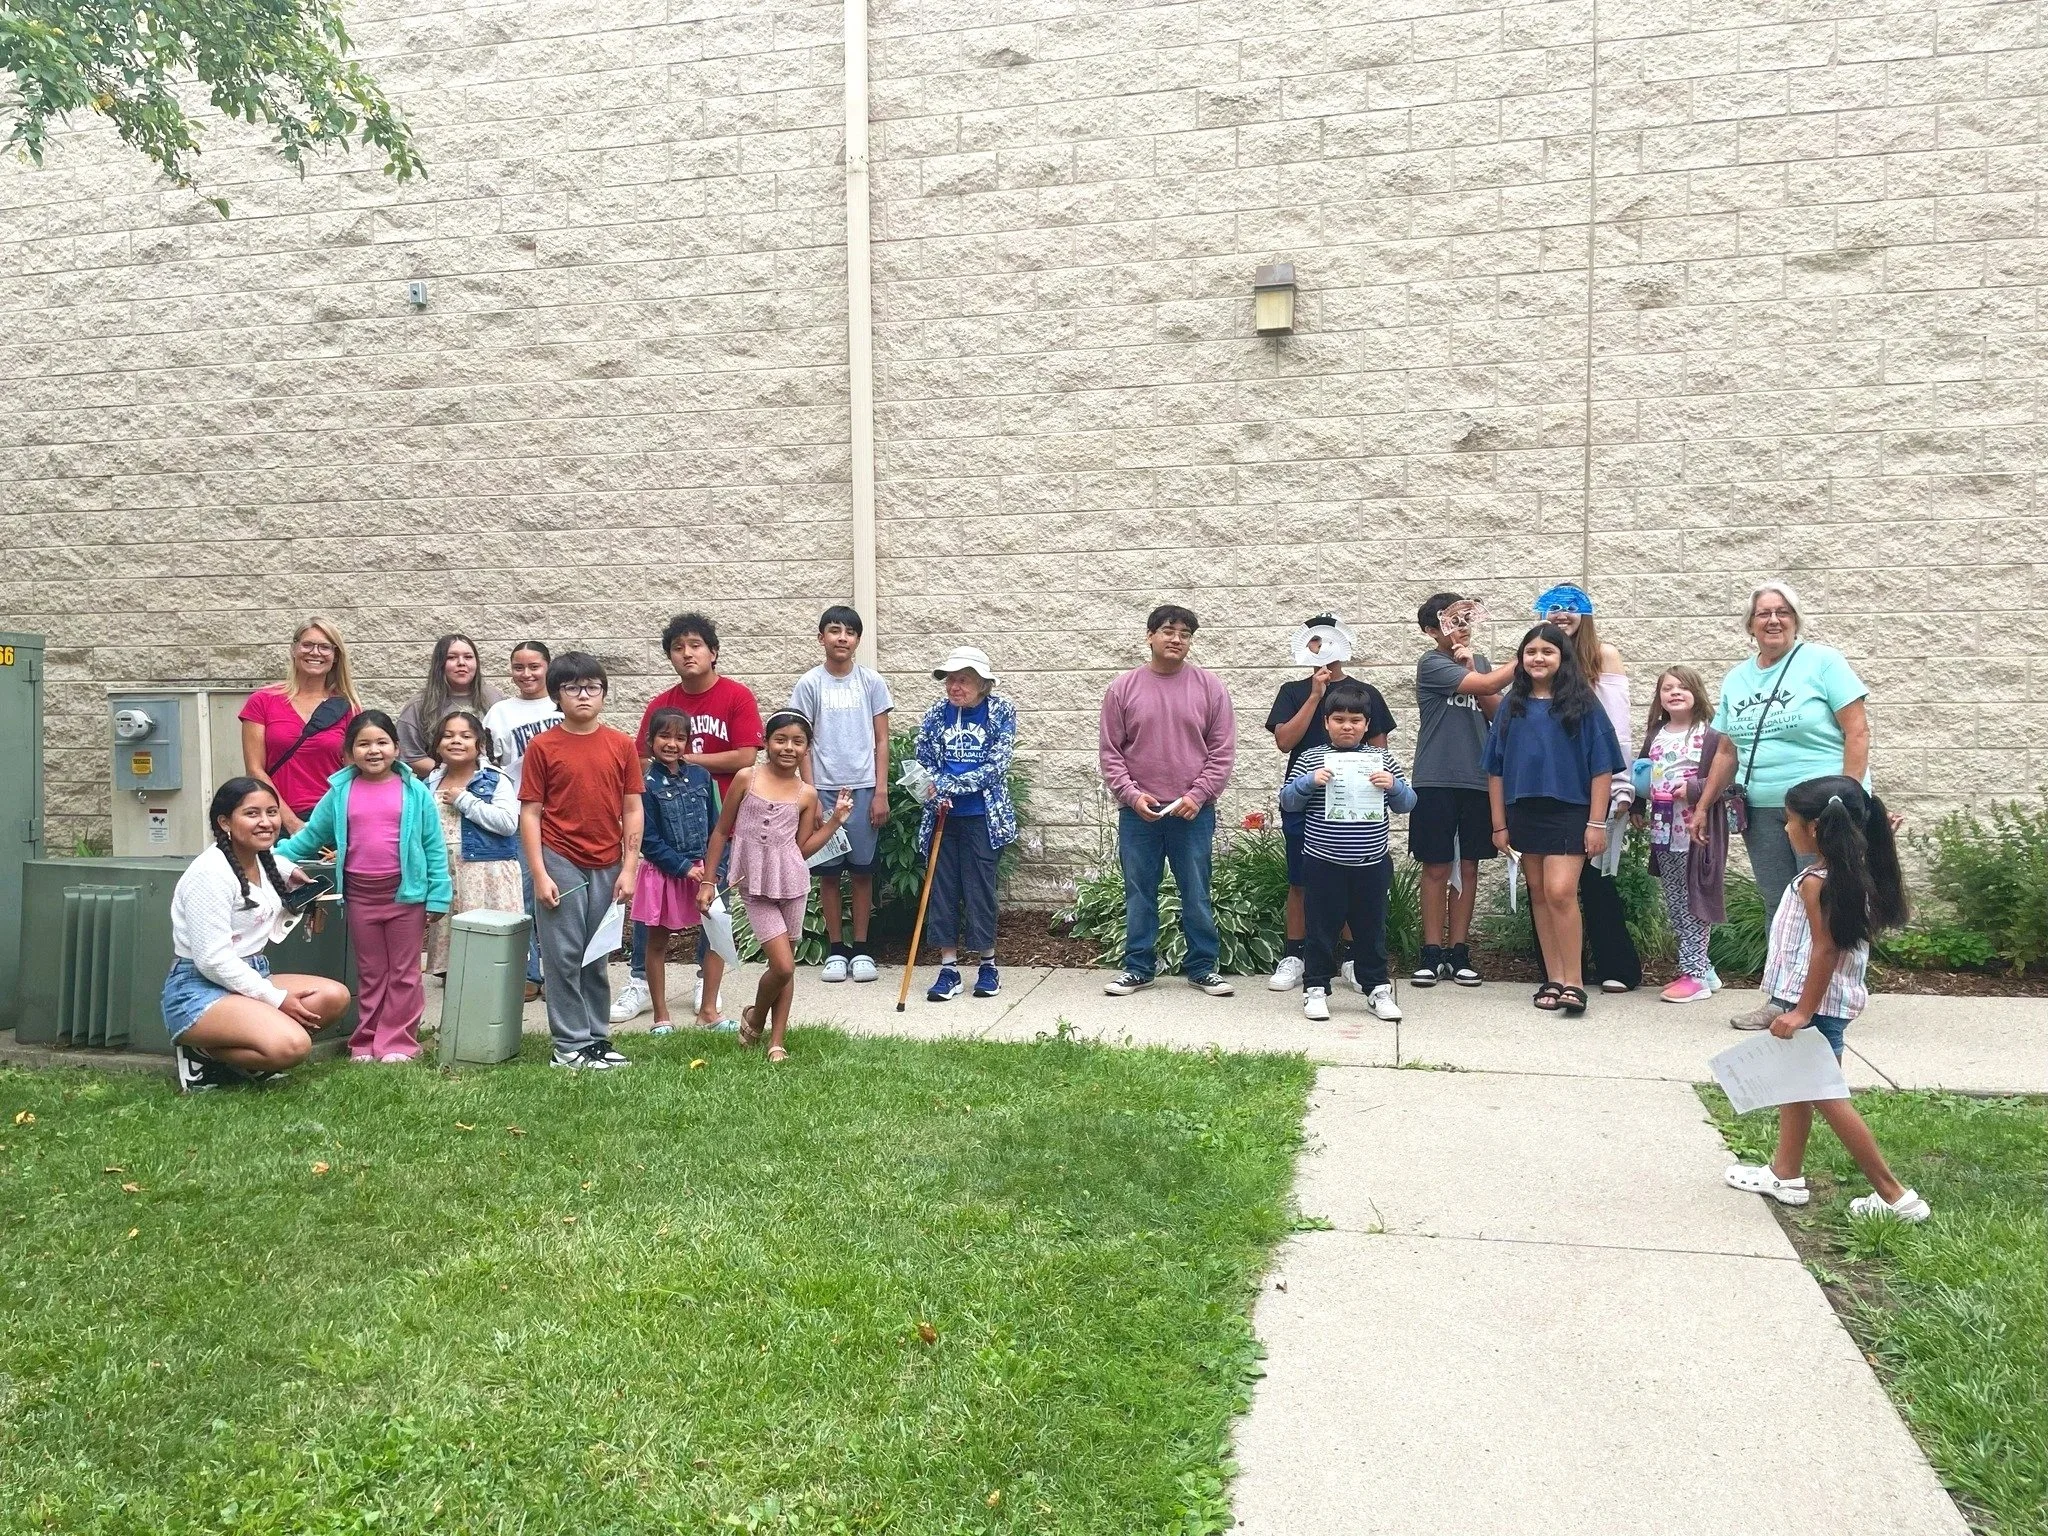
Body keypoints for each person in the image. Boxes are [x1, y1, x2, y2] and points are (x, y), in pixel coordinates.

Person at [1722, 776, 1927, 1223]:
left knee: (1826, 1095)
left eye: (1788, 820)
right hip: (1824, 1003)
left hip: (1816, 1005)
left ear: (1815, 828)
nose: (1784, 828)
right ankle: (1785, 1173)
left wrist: (1801, 1011)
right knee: (1800, 1083)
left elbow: (1826, 948)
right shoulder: (1851, 869)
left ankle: (1896, 1197)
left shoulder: (1818, 881)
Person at [1714, 581, 1872, 1031]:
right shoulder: (1737, 677)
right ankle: (1782, 998)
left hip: (1821, 809)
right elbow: (1727, 750)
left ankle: (1825, 998)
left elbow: (1856, 732)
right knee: (1779, 903)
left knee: (1824, 901)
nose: (1773, 620)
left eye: (1782, 612)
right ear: (1750, 625)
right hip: (1762, 810)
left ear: (1796, 620)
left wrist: (1850, 797)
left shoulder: (1824, 662)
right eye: (1763, 613)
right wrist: (1706, 803)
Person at [274, 710, 451, 1062]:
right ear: (348, 752)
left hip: (407, 896)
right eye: (363, 744)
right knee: (371, 973)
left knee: (404, 973)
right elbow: (309, 838)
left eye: (382, 742)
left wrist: (439, 893)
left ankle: (398, 1042)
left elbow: (434, 846)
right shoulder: (340, 792)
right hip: (360, 897)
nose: (374, 751)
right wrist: (268, 858)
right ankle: (367, 1040)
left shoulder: (415, 791)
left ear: (396, 748)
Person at [615, 613, 763, 1029]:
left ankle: (706, 992)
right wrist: (672, 764)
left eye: (695, 645)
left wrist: (685, 761)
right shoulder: (660, 705)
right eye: (678, 648)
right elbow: (640, 761)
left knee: (712, 912)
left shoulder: (735, 697)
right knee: (652, 917)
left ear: (713, 652)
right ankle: (640, 983)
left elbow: (745, 757)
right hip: (662, 828)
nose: (687, 653)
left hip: (716, 828)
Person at [162, 778, 352, 1093]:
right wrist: (276, 1000)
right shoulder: (209, 876)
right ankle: (201, 1052)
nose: (266, 822)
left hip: (251, 971)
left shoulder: (258, 858)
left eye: (272, 812)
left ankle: (246, 1057)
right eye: (252, 814)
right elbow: (212, 961)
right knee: (292, 1047)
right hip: (198, 988)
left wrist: (291, 872)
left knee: (334, 998)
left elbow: (270, 860)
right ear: (225, 822)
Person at [1484, 623, 1626, 1016]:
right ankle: (1553, 977)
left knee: (1561, 891)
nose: (1538, 658)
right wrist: (1499, 825)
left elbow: (1602, 769)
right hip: (1523, 811)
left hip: (1570, 811)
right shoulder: (1512, 705)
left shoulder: (1583, 705)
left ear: (1562, 658)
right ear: (1521, 658)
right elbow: (1494, 770)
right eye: (1531, 651)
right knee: (1541, 895)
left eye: (1548, 651)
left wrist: (1596, 823)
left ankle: (1575, 982)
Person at [697, 710, 854, 1062]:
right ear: (767, 742)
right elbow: (722, 831)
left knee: (787, 967)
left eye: (798, 742)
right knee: (782, 965)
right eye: (781, 739)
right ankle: (754, 1017)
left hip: (793, 884)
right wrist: (709, 879)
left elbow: (802, 849)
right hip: (755, 886)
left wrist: (835, 821)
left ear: (806, 749)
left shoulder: (806, 793)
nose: (788, 748)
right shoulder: (746, 778)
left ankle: (776, 1041)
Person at [1098, 604, 1237, 998]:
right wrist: (1130, 793)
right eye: (1168, 631)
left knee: (1196, 890)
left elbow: (1222, 750)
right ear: (1150, 636)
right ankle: (1138, 968)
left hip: (1192, 811)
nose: (1176, 639)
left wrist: (1198, 795)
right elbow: (1111, 752)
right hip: (1138, 811)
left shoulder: (1210, 687)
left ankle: (1202, 968)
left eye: (1185, 634)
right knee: (1139, 891)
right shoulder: (1122, 688)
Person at [519, 652, 644, 1070]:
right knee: (565, 954)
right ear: (557, 695)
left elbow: (631, 808)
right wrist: (539, 873)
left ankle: (595, 1039)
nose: (583, 695)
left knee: (597, 952)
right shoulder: (543, 746)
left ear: (604, 693)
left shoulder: (621, 745)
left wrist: (629, 867)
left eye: (592, 687)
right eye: (572, 688)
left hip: (608, 861)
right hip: (559, 859)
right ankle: (567, 1045)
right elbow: (531, 813)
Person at [1263, 614, 1394, 993]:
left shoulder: (1365, 692)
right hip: (1307, 801)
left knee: (1355, 879)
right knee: (1300, 878)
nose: (1321, 649)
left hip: (1355, 806)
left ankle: (1353, 959)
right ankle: (1296, 954)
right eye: (1314, 642)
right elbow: (1285, 741)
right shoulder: (1292, 690)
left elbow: (1379, 750)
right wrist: (1315, 696)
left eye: (1327, 641)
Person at [1278, 680, 1416, 1023]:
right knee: (1320, 930)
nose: (1347, 726)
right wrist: (1309, 781)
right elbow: (1288, 801)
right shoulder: (1311, 758)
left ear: (1367, 725)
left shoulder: (1381, 759)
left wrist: (1394, 785)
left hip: (1371, 862)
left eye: (1355, 720)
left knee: (1372, 930)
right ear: (1326, 723)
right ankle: (1316, 989)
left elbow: (1408, 803)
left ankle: (1377, 990)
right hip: (1322, 862)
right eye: (1339, 719)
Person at [1529, 584, 1642, 995]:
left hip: (1595, 786)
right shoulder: (1537, 659)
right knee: (1545, 887)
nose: (1561, 614)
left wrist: (1621, 786)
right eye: (1552, 608)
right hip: (1550, 789)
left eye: (1571, 607)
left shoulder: (1603, 656)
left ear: (1586, 614)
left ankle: (1616, 965)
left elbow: (1618, 729)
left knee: (1594, 880)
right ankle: (1555, 971)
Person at [1409, 593, 1514, 987]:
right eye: (1451, 621)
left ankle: (1459, 951)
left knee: (1468, 865)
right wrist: (1531, 653)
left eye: (1466, 618)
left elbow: (1499, 713)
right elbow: (1488, 683)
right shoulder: (1432, 662)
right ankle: (1431, 952)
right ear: (1431, 630)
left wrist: (1474, 667)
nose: (1462, 626)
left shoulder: (1482, 664)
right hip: (1435, 777)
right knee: (1436, 866)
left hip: (1477, 778)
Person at [788, 605, 893, 983]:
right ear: (821, 637)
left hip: (863, 788)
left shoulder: (871, 683)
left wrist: (880, 791)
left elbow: (882, 740)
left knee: (863, 872)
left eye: (850, 633)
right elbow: (802, 743)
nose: (842, 638)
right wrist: (810, 795)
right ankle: (836, 950)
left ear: (858, 641)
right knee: (829, 873)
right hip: (824, 791)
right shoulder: (809, 684)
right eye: (834, 631)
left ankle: (862, 949)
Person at [914, 646, 1018, 1003]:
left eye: (963, 680)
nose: (955, 686)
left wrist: (947, 785)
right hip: (943, 816)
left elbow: (996, 766)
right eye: (950, 680)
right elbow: (922, 760)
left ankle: (987, 965)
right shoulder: (935, 714)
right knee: (941, 891)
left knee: (979, 890)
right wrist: (931, 791)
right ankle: (948, 969)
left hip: (982, 818)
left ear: (983, 684)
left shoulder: (1001, 711)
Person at [1637, 668, 1737, 1003]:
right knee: (1677, 900)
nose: (1674, 692)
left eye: (1682, 687)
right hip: (1664, 831)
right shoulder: (1656, 733)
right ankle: (1703, 966)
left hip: (1698, 832)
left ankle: (1694, 976)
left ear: (1697, 692)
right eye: (1667, 688)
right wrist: (1637, 805)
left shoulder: (1710, 735)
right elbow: (1642, 770)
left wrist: (1692, 788)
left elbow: (1726, 779)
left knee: (1695, 900)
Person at [482, 640, 562, 998]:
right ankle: (530, 973)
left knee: (564, 896)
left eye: (534, 666)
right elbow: (490, 765)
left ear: (548, 667)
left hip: (562, 815)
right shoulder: (499, 713)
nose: (526, 674)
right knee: (525, 895)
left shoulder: (563, 705)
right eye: (519, 667)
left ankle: (561, 972)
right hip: (518, 815)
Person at [422, 711, 524, 980]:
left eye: (465, 736)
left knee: (488, 948)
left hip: (487, 875)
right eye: (448, 735)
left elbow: (507, 823)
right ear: (438, 745)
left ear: (479, 744)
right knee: (456, 954)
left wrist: (465, 800)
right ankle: (459, 1007)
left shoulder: (495, 779)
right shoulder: (429, 783)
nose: (456, 741)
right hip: (447, 876)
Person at [634, 709, 716, 1035]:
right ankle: (661, 1015)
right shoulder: (645, 785)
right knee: (656, 942)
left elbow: (716, 827)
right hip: (666, 874)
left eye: (679, 737)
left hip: (703, 871)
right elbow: (648, 840)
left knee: (716, 936)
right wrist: (683, 868)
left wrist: (713, 868)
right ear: (651, 741)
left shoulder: (701, 777)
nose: (672, 743)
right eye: (664, 737)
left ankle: (709, 1009)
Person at [239, 618, 360, 834]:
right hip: (274, 821)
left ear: (335, 657)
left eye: (324, 647)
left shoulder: (348, 707)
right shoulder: (262, 701)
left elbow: (353, 773)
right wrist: (291, 822)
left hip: (331, 822)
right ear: (294, 649)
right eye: (307, 645)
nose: (315, 653)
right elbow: (255, 769)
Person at [396, 633, 503, 776]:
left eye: (468, 657)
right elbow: (410, 756)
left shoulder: (494, 698)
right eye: (452, 657)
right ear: (440, 664)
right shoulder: (419, 705)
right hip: (438, 789)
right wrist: (454, 774)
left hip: (490, 784)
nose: (461, 663)